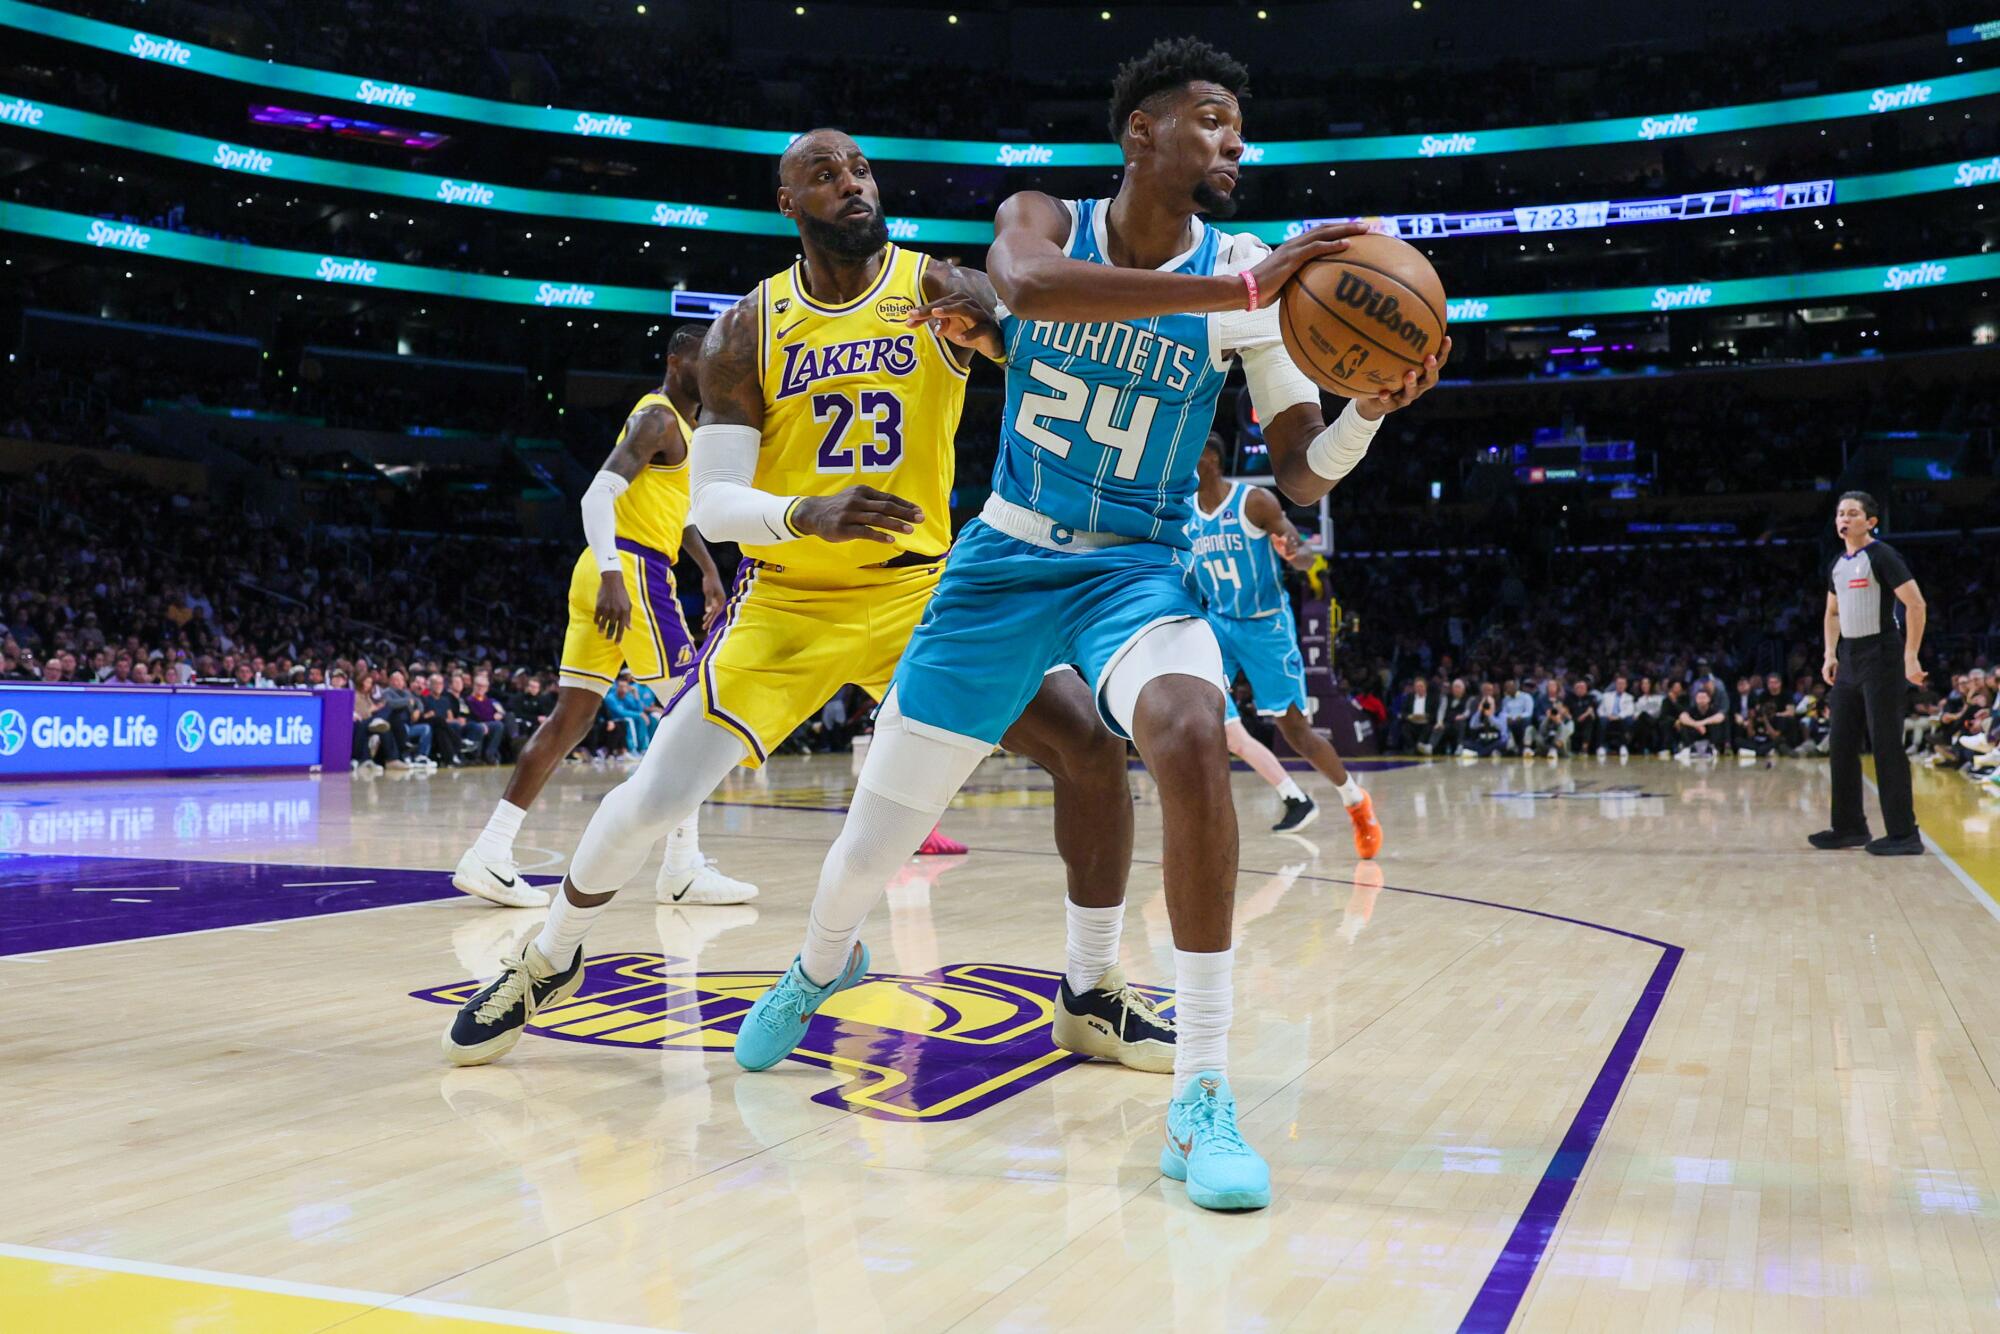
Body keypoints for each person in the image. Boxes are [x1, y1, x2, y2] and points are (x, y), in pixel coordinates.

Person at [736, 41, 1444, 1214]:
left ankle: (1203, 1093)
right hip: (1003, 558)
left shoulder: (1252, 284)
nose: (1233, 144)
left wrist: (1365, 409)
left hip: (1138, 567)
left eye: (1237, 128)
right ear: (1140, 137)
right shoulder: (1046, 216)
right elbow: (1023, 289)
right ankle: (816, 963)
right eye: (1211, 122)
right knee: (872, 840)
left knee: (1182, 728)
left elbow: (1298, 478)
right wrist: (1237, 296)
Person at [443, 128, 1153, 1087]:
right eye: (824, 174)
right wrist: (805, 511)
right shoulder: (746, 330)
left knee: (1088, 744)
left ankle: (1091, 987)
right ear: (789, 203)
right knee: (650, 799)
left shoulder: (938, 288)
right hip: (786, 600)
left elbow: (1052, 367)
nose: (851, 183)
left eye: (861, 168)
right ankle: (553, 954)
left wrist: (1013, 335)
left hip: (922, 596)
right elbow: (714, 504)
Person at [454, 328, 753, 908]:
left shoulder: (685, 431)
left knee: (570, 720)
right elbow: (596, 497)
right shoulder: (658, 418)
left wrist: (708, 569)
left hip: (613, 569)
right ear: (675, 361)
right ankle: (683, 867)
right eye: (701, 357)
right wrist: (616, 573)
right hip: (629, 572)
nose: (711, 366)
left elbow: (679, 513)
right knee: (695, 714)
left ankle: (490, 852)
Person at [1188, 435, 1381, 849]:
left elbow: (1305, 553)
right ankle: (1264, 802)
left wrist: (1295, 554)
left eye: (1193, 448)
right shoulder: (1184, 513)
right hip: (1218, 624)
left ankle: (1354, 799)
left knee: (1295, 730)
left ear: (1213, 459)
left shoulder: (1253, 502)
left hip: (1266, 627)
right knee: (1196, 705)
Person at [1809, 491, 1926, 855]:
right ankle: (1848, 827)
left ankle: (1904, 835)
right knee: (1841, 743)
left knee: (1886, 744)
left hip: (1882, 654)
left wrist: (1911, 656)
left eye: (1853, 513)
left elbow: (1916, 604)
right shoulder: (1838, 563)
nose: (1844, 519)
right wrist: (1830, 653)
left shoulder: (1883, 555)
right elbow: (1832, 613)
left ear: (1870, 521)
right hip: (1849, 659)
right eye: (1840, 513)